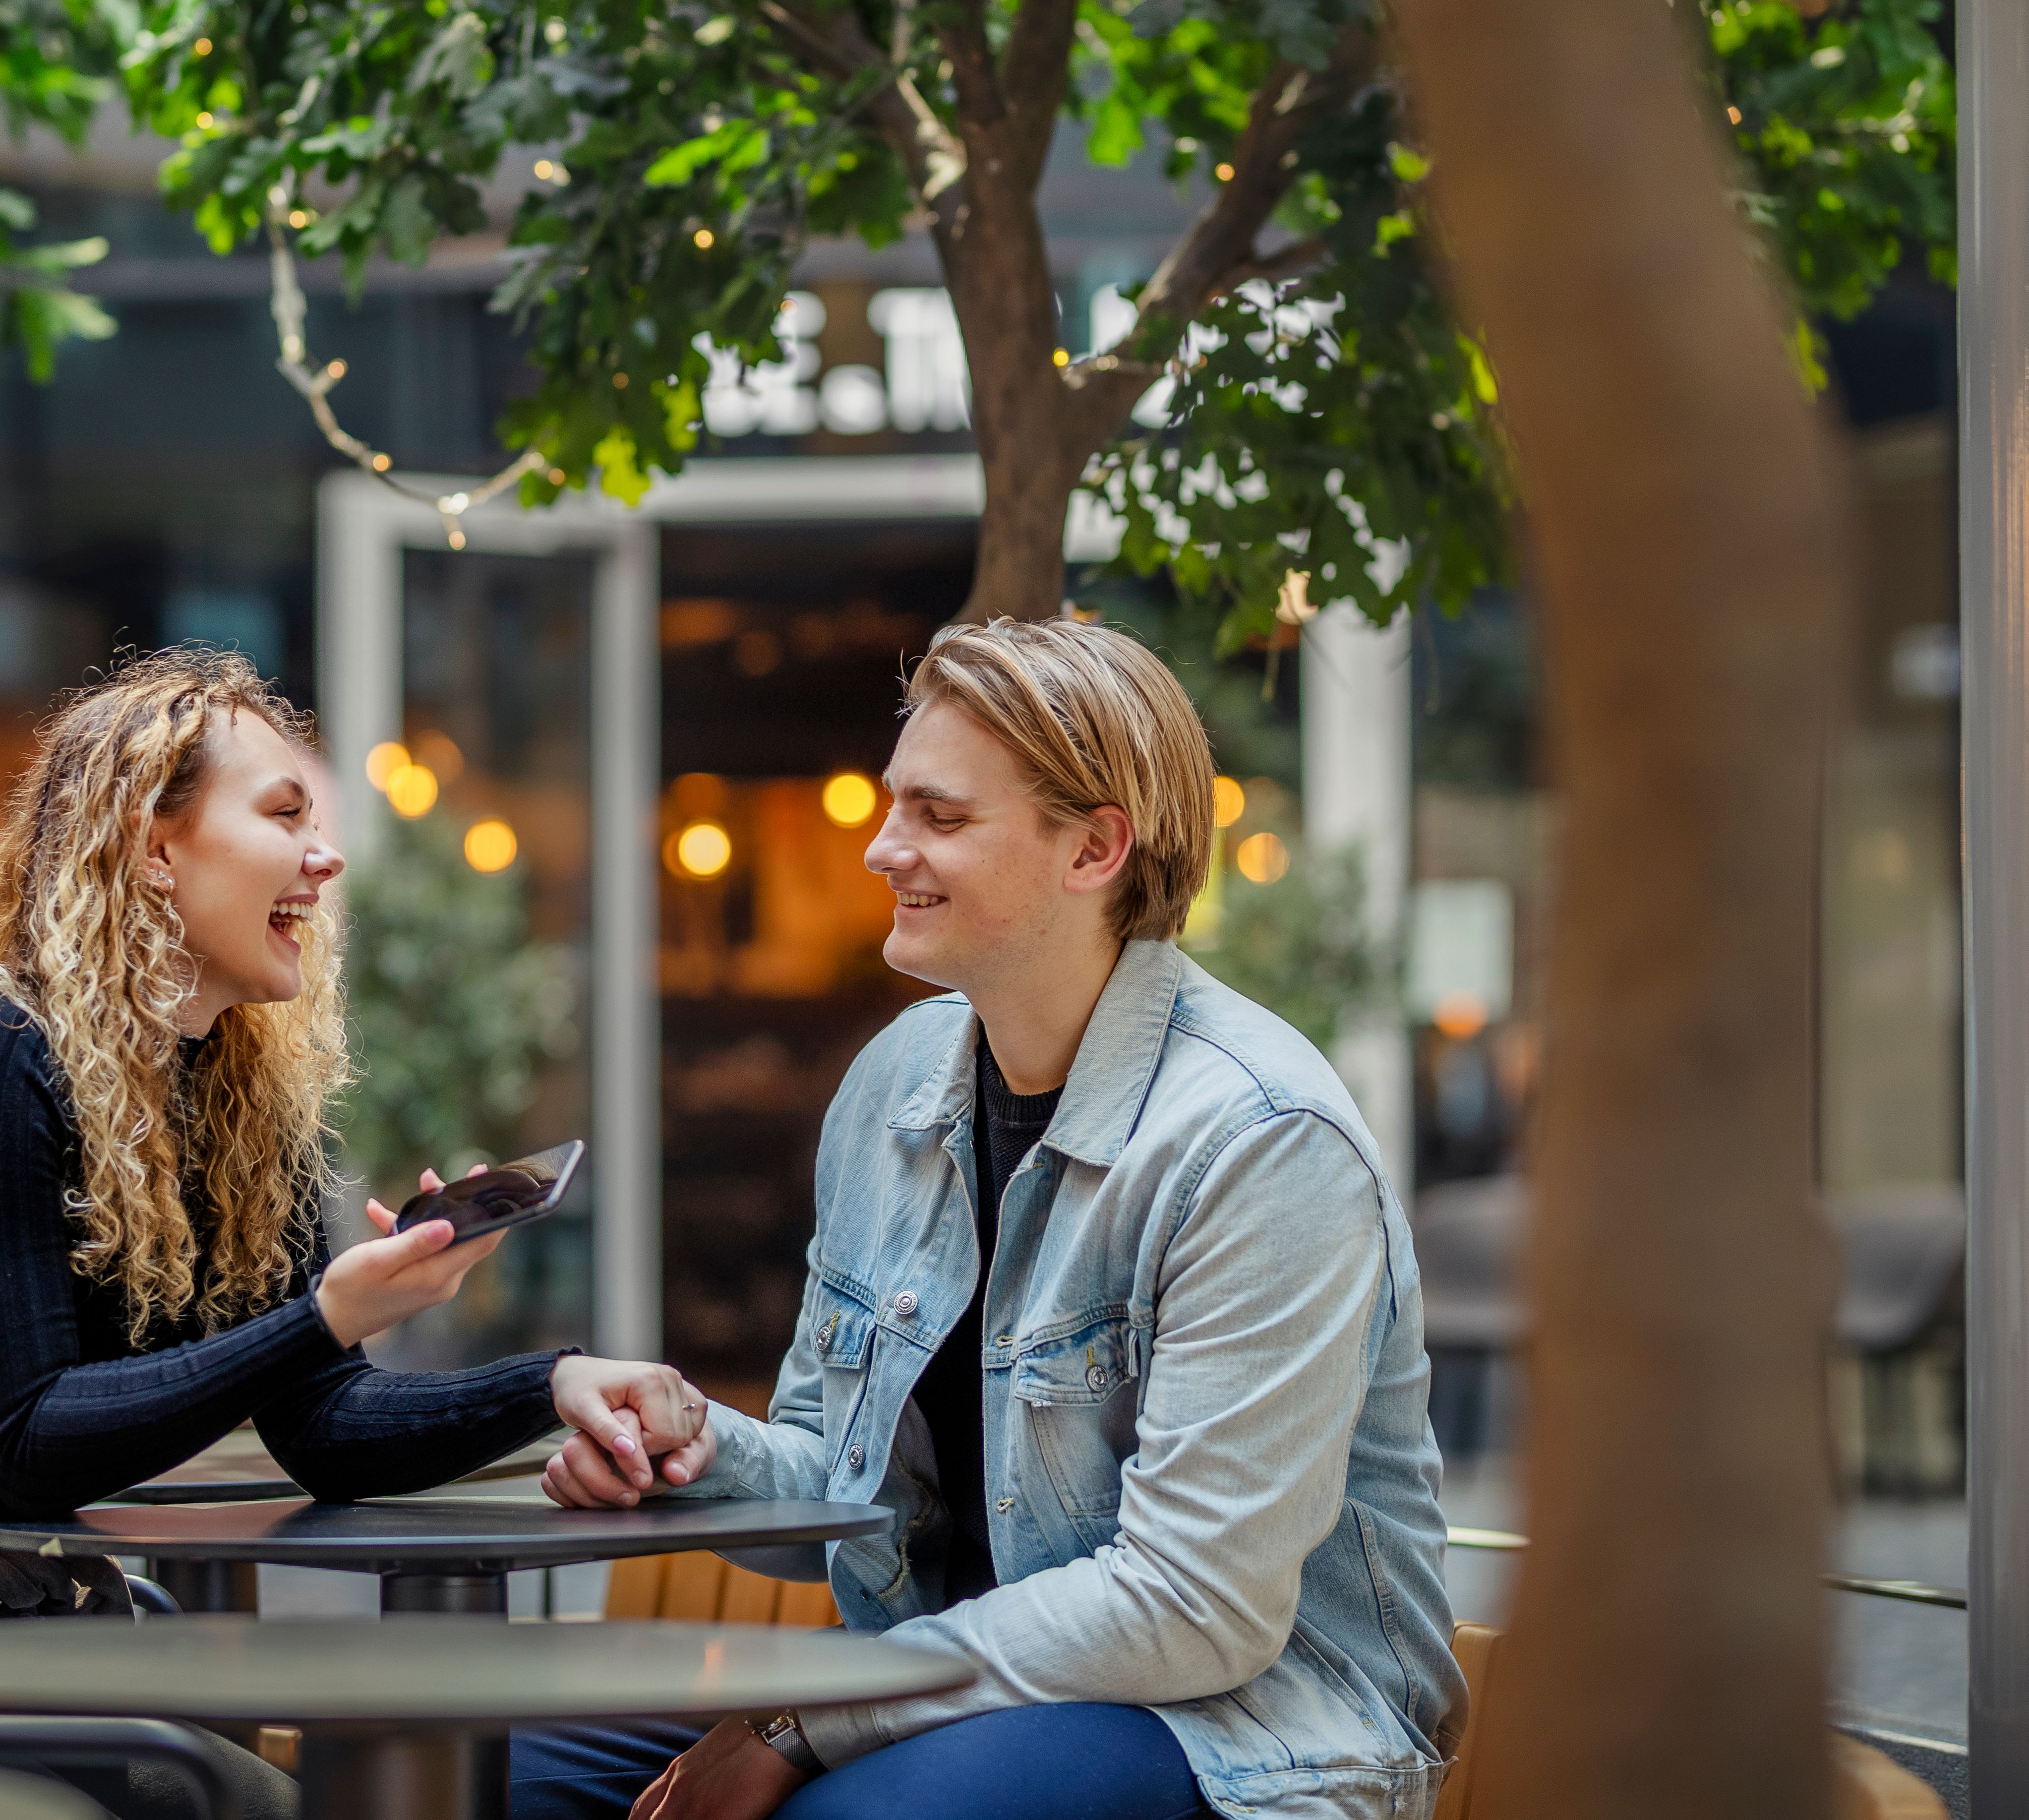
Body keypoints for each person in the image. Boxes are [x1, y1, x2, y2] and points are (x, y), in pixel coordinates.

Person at [0, 651, 703, 1796]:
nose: (327, 854)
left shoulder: (235, 1090)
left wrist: (549, 1383)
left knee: (271, 1782)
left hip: (9, 1621)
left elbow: (323, 1427)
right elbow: (26, 1440)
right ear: (152, 845)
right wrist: (326, 1312)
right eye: (285, 811)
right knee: (237, 1791)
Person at [520, 619, 1462, 1820]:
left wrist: (803, 1721)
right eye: (889, 803)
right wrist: (690, 1444)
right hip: (953, 1692)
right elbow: (841, 1491)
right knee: (508, 1778)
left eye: (939, 816)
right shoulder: (893, 1086)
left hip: (1249, 1731)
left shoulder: (1260, 1140)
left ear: (1094, 848)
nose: (879, 847)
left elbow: (1191, 1607)